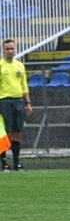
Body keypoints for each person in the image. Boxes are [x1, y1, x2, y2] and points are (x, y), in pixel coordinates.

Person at [0, 39, 32, 172]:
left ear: (15, 49)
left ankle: (17, 163)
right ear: (3, 50)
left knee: (17, 132)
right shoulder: (0, 65)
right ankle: (4, 164)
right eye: (7, 49)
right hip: (4, 101)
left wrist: (28, 103)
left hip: (18, 101)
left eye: (11, 48)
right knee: (3, 133)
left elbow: (24, 86)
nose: (9, 51)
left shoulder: (20, 65)